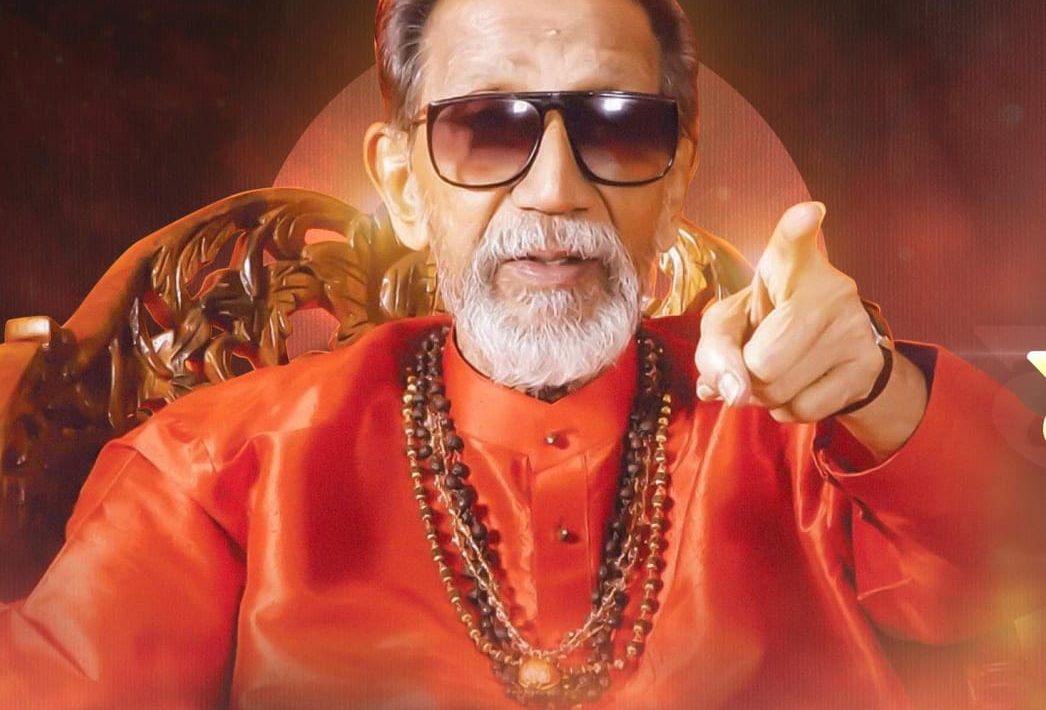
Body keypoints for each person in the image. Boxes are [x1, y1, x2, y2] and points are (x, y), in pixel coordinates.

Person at [1, 0, 1042, 707]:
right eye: (486, 127)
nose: (554, 188)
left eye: (618, 126)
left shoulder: (802, 435)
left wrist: (876, 386)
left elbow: (1019, 568)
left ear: (675, 175)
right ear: (405, 185)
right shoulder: (218, 468)